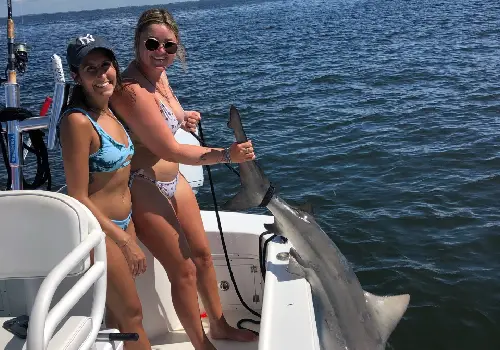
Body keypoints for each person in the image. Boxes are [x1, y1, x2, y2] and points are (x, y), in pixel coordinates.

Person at [110, 8, 257, 350]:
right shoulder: (131, 89)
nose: (161, 51)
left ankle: (219, 327)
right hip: (143, 184)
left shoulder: (159, 76)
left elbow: (163, 122)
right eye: (153, 43)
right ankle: (201, 344)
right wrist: (226, 155)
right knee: (184, 270)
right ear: (138, 44)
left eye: (169, 46)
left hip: (174, 180)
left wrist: (183, 116)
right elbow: (171, 149)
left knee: (204, 256)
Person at [58, 34, 151, 350]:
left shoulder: (111, 110)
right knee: (132, 316)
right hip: (99, 233)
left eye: (106, 65)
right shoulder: (77, 122)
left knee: (115, 317)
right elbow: (78, 195)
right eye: (90, 69)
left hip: (122, 223)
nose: (101, 75)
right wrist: (122, 239)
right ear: (76, 76)